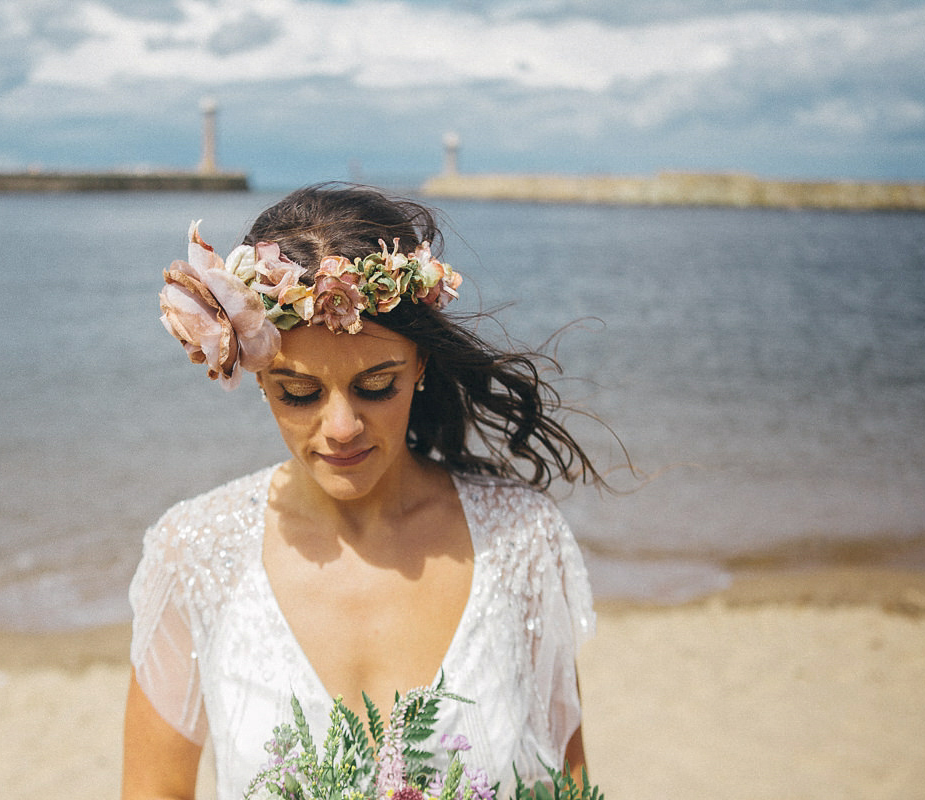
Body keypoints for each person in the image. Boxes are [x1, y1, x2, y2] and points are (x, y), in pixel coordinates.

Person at [123, 184, 606, 800]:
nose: (342, 427)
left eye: (377, 385)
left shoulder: (522, 539)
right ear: (252, 373)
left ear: (422, 363)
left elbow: (570, 784)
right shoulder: (192, 553)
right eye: (298, 392)